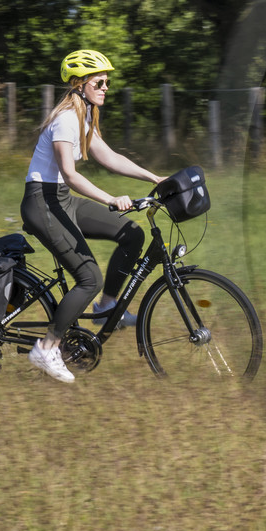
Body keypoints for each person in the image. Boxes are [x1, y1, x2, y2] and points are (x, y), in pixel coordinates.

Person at [21, 49, 165, 382]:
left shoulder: (85, 116)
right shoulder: (65, 119)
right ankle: (46, 348)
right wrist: (110, 198)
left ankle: (105, 307)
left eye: (107, 82)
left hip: (61, 200)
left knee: (132, 234)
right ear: (79, 83)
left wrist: (155, 178)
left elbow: (108, 156)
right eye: (99, 81)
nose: (105, 87)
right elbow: (69, 174)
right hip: (41, 202)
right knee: (89, 278)